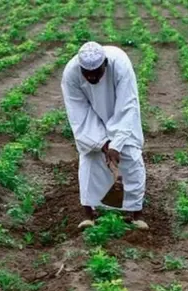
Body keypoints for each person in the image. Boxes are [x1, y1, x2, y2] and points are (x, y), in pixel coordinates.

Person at [61, 41, 148, 230]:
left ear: (105, 64)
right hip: (91, 116)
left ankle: (136, 214)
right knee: (90, 158)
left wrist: (116, 143)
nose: (91, 76)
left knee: (130, 154)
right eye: (87, 73)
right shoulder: (71, 73)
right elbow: (78, 112)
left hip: (121, 112)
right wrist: (101, 142)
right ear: (80, 67)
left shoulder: (120, 64)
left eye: (96, 72)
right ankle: (89, 214)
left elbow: (127, 104)